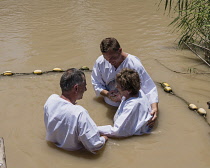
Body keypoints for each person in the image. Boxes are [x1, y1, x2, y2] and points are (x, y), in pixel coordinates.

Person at [91, 37, 158, 124]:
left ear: (120, 50)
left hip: (130, 104)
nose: (110, 61)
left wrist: (154, 108)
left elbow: (149, 88)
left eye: (112, 57)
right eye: (106, 58)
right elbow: (96, 83)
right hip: (109, 102)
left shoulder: (134, 64)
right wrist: (107, 94)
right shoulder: (100, 62)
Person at [44, 68, 108, 153]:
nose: (85, 89)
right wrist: (104, 139)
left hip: (54, 149)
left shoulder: (50, 100)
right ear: (76, 88)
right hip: (74, 152)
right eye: (84, 85)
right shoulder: (80, 113)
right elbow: (94, 146)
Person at [98, 68, 153, 137]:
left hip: (135, 136)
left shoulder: (132, 106)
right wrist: (119, 97)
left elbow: (116, 132)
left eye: (119, 87)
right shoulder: (137, 92)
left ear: (128, 90)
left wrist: (94, 129)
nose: (116, 86)